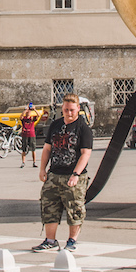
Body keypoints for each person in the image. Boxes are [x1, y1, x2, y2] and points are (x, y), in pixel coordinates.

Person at [33, 93, 94, 252]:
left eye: (72, 110)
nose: (69, 113)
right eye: (66, 110)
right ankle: (50, 240)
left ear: (78, 109)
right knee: (49, 205)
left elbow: (85, 154)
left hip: (73, 176)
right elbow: (47, 149)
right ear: (62, 109)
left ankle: (72, 240)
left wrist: (76, 174)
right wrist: (42, 169)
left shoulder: (83, 128)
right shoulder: (55, 125)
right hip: (54, 173)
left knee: (75, 208)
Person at [18, 103, 41, 169]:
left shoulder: (32, 118)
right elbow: (21, 117)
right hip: (25, 135)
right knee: (24, 149)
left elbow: (38, 115)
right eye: (27, 112)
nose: (28, 113)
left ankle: (34, 162)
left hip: (31, 135)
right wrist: (25, 110)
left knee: (33, 149)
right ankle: (23, 162)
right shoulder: (24, 119)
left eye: (29, 112)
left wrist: (34, 109)